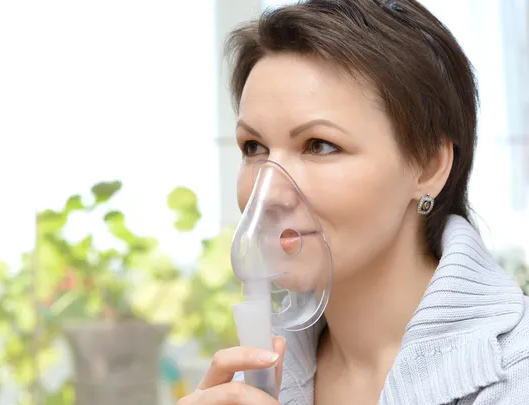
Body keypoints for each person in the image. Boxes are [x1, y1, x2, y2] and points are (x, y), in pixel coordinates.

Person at [178, 1, 529, 404]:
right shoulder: (257, 379)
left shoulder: (517, 373)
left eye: (320, 145)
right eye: (254, 147)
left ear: (429, 166)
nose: (268, 192)